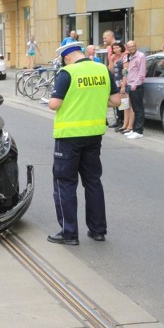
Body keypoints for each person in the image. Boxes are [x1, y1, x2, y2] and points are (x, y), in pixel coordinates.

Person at [46, 41, 120, 245]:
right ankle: (98, 230)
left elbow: (54, 104)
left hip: (69, 136)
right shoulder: (102, 69)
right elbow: (116, 101)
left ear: (67, 57)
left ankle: (69, 233)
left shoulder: (67, 73)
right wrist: (93, 99)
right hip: (94, 136)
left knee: (65, 183)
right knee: (93, 181)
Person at [124, 40, 146, 139]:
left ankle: (139, 131)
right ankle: (134, 129)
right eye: (130, 47)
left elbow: (141, 73)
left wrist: (135, 84)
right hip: (130, 85)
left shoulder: (140, 56)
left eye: (133, 46)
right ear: (127, 48)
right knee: (135, 108)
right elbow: (130, 71)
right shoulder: (130, 57)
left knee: (139, 109)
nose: (132, 48)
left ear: (136, 46)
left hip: (136, 86)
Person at [110, 42, 128, 131]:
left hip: (121, 83)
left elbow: (125, 71)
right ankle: (119, 119)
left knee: (123, 103)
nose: (115, 50)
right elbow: (111, 70)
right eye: (113, 48)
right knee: (117, 103)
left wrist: (124, 84)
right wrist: (111, 60)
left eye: (117, 48)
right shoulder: (116, 58)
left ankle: (123, 121)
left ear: (121, 48)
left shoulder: (124, 57)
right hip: (116, 82)